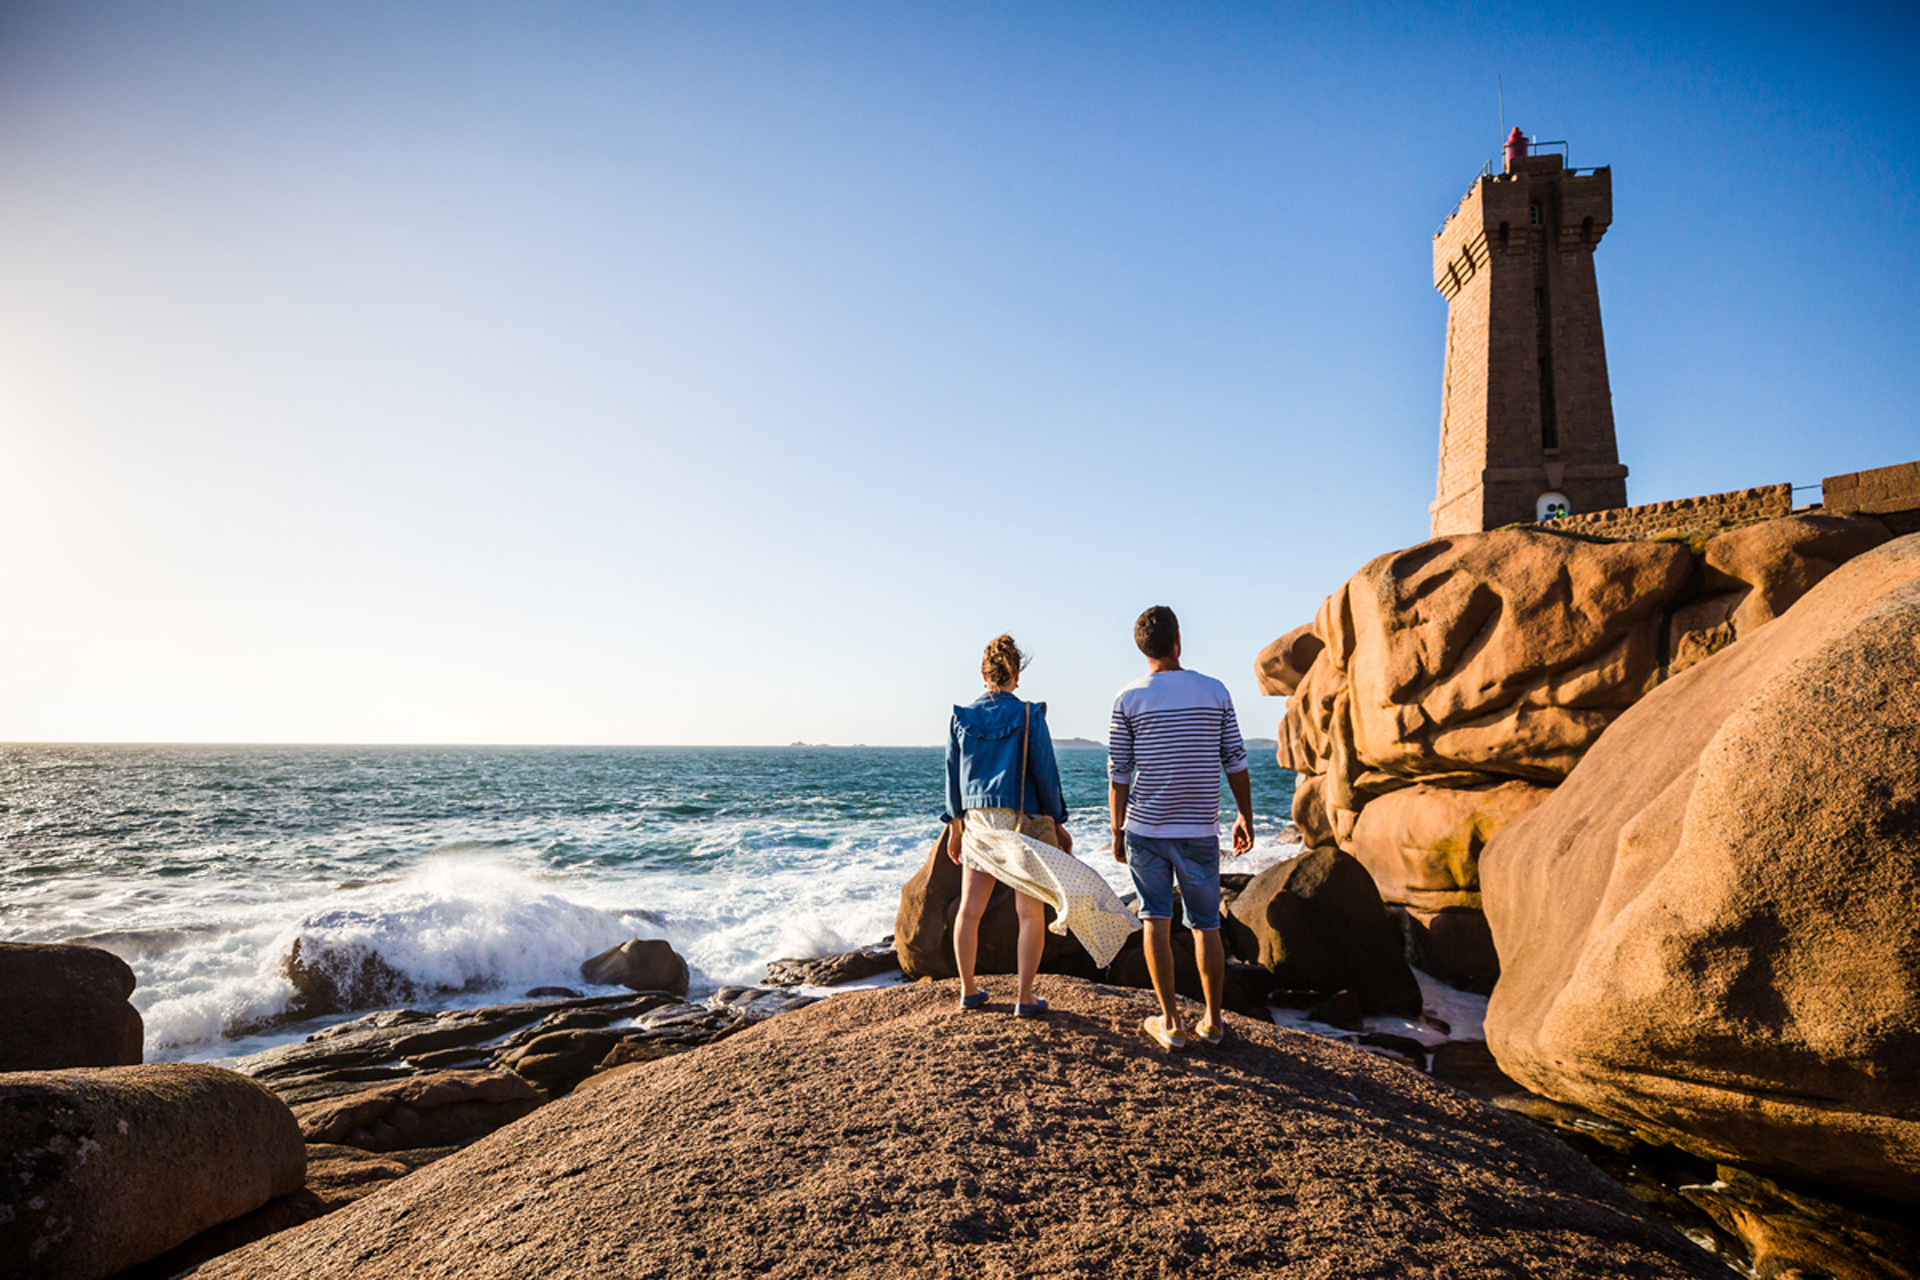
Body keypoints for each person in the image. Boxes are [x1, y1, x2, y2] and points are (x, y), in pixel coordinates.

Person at [946, 634, 1139, 1015]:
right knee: (1029, 913)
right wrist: (1059, 821)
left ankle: (968, 991)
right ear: (1015, 674)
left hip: (978, 823)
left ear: (984, 674)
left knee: (969, 909)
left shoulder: (960, 717)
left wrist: (954, 826)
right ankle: (1024, 997)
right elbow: (1045, 775)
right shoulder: (1029, 714)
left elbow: (953, 777)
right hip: (1021, 823)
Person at [1108, 605, 1254, 1050]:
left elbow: (1119, 773)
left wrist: (1117, 830)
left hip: (1146, 830)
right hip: (1197, 830)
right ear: (1177, 642)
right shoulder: (1214, 691)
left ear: (1142, 649)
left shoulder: (1128, 698)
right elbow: (1236, 759)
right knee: (1205, 925)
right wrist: (1244, 814)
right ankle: (1212, 1022)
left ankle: (1170, 1022)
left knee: (1155, 919)